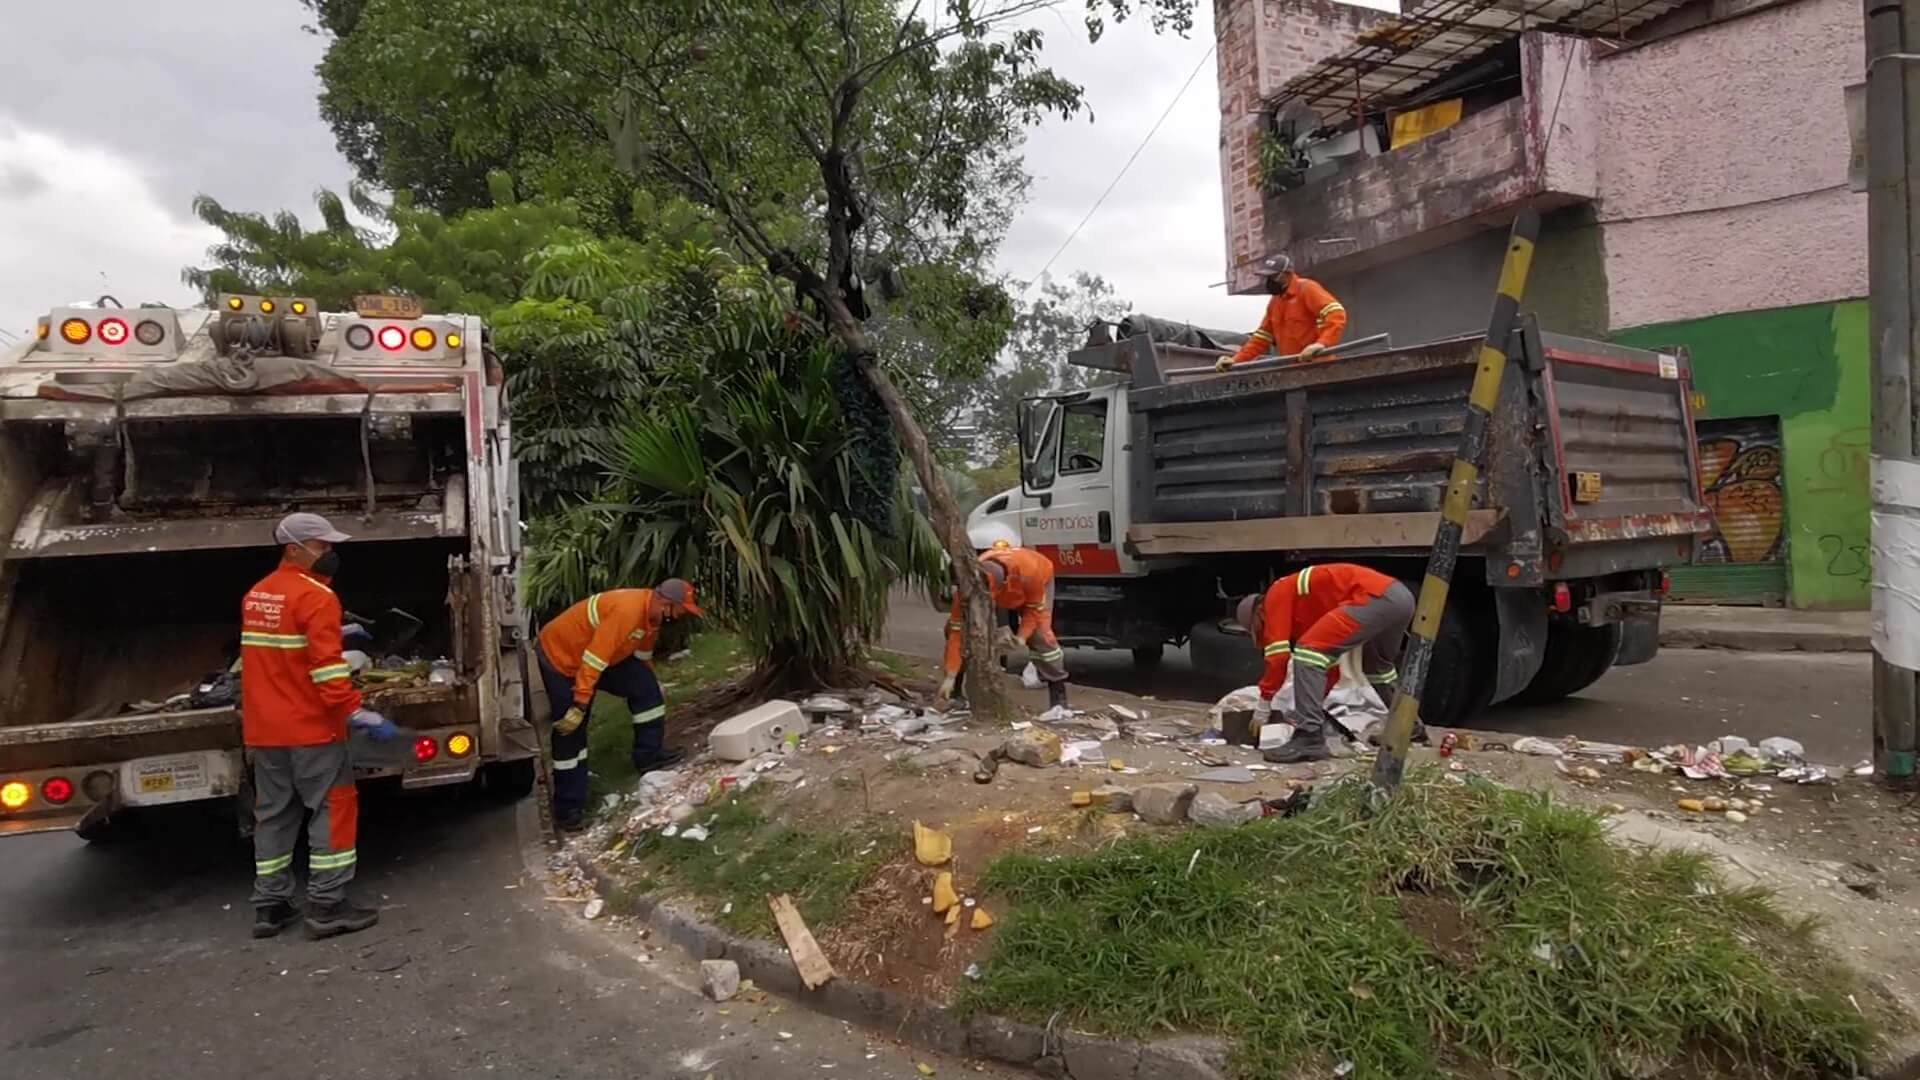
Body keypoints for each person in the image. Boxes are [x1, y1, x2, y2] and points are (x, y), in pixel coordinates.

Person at [242, 512, 396, 940]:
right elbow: (328, 671)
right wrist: (356, 712)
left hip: (265, 729)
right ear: (295, 548)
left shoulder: (258, 594)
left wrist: (336, 631)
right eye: (322, 546)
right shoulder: (317, 596)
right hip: (310, 728)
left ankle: (270, 906)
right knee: (333, 807)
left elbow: (281, 652)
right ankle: (328, 905)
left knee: (273, 815)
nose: (330, 553)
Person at [537, 581, 702, 831]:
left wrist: (649, 680)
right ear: (667, 605)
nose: (679, 618)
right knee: (571, 729)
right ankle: (568, 808)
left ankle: (649, 757)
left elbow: (642, 653)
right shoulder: (627, 612)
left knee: (646, 690)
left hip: (599, 657)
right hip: (562, 659)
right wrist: (580, 702)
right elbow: (594, 659)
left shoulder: (651, 616)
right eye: (681, 612)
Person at [1237, 563, 1414, 763]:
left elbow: (1278, 656)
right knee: (1377, 668)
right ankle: (1410, 728)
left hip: (1373, 596)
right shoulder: (1307, 606)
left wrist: (1264, 703)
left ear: (1258, 614)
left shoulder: (1274, 597)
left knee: (1307, 652)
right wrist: (1311, 705)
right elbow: (1329, 669)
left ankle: (1309, 738)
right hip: (1399, 597)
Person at [939, 545, 1069, 712]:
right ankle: (955, 690)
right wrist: (950, 674)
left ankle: (1058, 696)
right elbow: (956, 632)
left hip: (1032, 585)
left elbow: (1033, 611)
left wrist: (1021, 637)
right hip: (1002, 588)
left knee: (1041, 637)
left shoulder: (1030, 573)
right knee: (958, 630)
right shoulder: (969, 585)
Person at [1214, 253, 1347, 371]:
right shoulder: (1275, 302)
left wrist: (1321, 344)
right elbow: (1261, 338)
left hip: (1319, 368)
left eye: (1273, 277)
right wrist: (1236, 361)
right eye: (1267, 277)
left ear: (1287, 274)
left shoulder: (1306, 288)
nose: (1269, 282)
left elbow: (1336, 313)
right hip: (1292, 370)